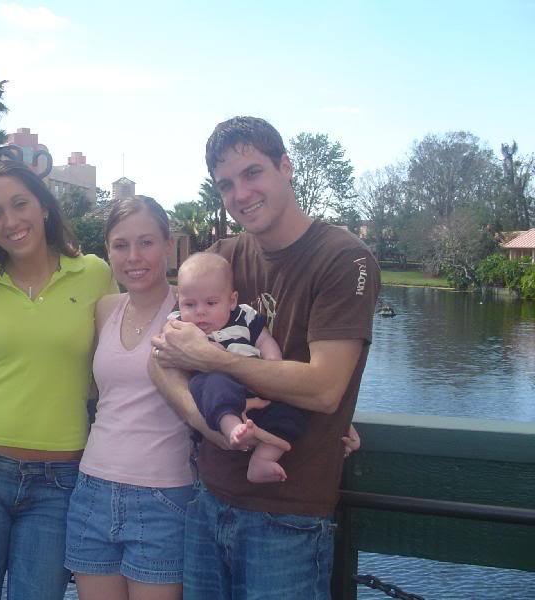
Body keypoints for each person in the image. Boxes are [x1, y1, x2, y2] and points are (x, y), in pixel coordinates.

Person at [150, 116, 380, 599]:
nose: (241, 194)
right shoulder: (221, 257)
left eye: (253, 173)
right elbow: (161, 358)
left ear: (286, 167)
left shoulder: (344, 258)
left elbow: (323, 388)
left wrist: (218, 362)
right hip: (208, 498)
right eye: (226, 184)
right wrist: (213, 424)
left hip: (289, 513)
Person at [0, 161, 117, 600]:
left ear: (43, 206)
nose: (10, 221)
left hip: (61, 476)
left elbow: (122, 352)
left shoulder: (94, 273)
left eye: (19, 204)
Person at [65, 196, 209, 600]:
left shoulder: (193, 312)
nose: (134, 257)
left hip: (164, 495)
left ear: (168, 245)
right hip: (92, 489)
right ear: (108, 251)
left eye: (146, 242)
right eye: (120, 245)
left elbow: (244, 358)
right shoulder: (105, 310)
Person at [171, 252, 301, 483]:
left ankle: (262, 460)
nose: (200, 311)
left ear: (231, 300)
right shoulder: (179, 324)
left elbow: (264, 341)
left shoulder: (245, 317)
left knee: (290, 413)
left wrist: (273, 366)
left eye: (211, 303)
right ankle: (232, 429)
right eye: (189, 304)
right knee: (213, 383)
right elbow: (166, 350)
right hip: (215, 386)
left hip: (257, 384)